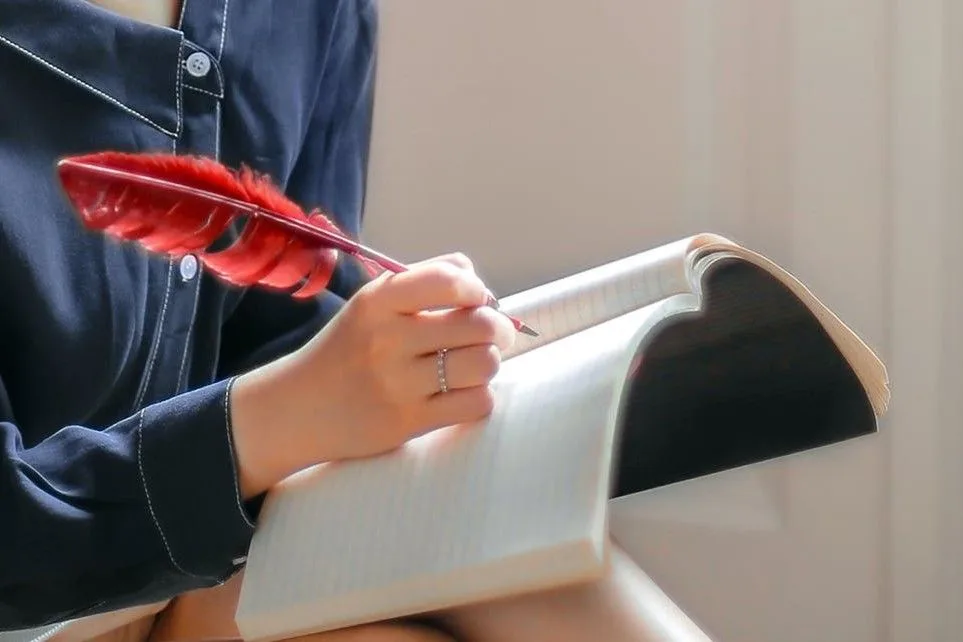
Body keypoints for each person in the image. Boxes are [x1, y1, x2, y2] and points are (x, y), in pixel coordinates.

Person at [0, 1, 711, 640]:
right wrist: (283, 414)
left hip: (170, 590)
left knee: (501, 554)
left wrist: (412, 382)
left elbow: (289, 321)